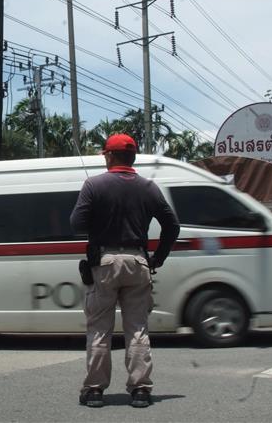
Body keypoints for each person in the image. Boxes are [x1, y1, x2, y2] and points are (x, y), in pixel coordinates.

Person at [70, 134, 180, 408]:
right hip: (139, 263)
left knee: (99, 329)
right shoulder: (149, 187)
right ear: (132, 158)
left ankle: (94, 390)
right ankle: (141, 389)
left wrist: (99, 217)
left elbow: (77, 224)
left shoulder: (94, 184)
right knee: (138, 329)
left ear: (108, 156)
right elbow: (172, 225)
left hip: (105, 263)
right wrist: (159, 258)